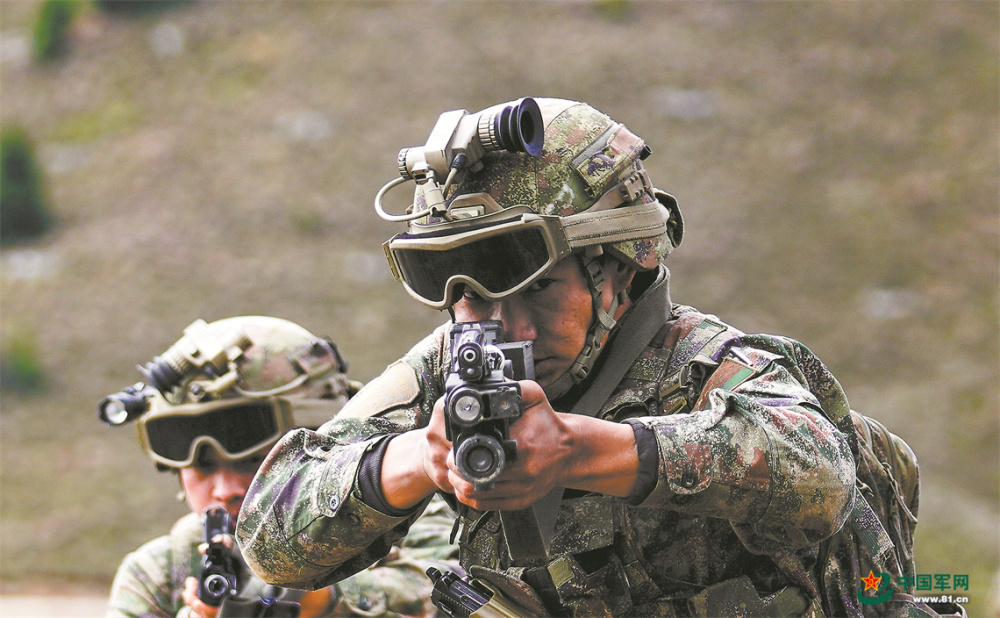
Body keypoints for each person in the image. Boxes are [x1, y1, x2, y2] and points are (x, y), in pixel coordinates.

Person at [235, 99, 942, 617]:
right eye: (456, 290)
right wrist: (423, 458)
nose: (490, 320)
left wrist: (579, 449)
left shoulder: (707, 365)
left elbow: (819, 470)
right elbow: (270, 534)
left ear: (618, 272)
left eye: (533, 286)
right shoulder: (448, 368)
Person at [104, 316, 459, 618]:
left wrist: (317, 601)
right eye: (202, 465)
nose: (224, 489)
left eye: (255, 460)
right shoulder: (161, 573)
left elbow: (448, 588)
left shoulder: (409, 508)